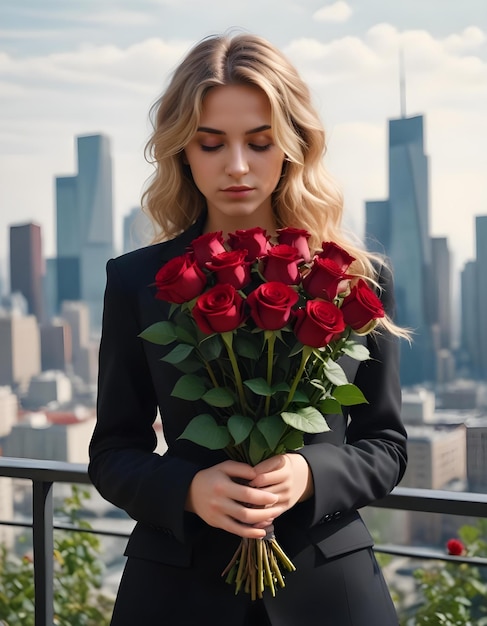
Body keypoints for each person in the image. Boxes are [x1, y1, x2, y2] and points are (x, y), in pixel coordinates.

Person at [88, 32, 408, 626]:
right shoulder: (136, 281)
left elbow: (386, 446)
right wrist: (187, 490)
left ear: (292, 146)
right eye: (212, 144)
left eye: (259, 143)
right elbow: (112, 451)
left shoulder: (354, 278)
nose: (237, 166)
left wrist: (311, 473)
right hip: (176, 592)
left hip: (331, 592)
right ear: (184, 150)